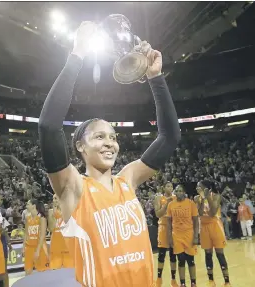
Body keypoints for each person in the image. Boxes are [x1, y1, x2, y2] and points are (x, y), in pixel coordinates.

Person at [38, 21, 181, 287]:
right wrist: (78, 53)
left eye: (113, 137)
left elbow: (170, 137)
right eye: (99, 136)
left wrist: (156, 78)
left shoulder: (127, 179)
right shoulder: (73, 187)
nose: (109, 143)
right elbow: (48, 126)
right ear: (80, 146)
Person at [195, 180, 231, 287]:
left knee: (220, 253)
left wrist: (208, 198)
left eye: (199, 187)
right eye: (197, 187)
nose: (197, 189)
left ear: (207, 188)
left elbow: (212, 213)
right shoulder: (197, 198)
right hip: (204, 227)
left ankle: (227, 281)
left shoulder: (216, 196)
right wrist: (201, 201)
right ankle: (211, 280)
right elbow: (200, 213)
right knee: (208, 254)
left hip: (215, 225)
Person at [167, 185, 198, 287]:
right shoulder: (171, 204)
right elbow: (168, 222)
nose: (179, 192)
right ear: (175, 192)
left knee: (190, 260)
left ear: (184, 192)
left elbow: (196, 221)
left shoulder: (191, 203)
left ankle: (193, 283)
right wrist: (170, 238)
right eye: (177, 191)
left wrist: (196, 236)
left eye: (181, 191)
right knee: (181, 260)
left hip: (189, 234)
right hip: (176, 235)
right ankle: (183, 283)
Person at [153, 182, 178, 287]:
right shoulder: (159, 198)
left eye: (171, 186)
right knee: (162, 254)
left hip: (174, 227)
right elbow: (158, 214)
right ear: (164, 187)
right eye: (168, 186)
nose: (170, 188)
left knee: (173, 254)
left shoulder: (176, 197)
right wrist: (167, 203)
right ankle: (159, 278)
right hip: (163, 227)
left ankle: (173, 279)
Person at [23, 199, 50, 275]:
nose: (26, 205)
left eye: (28, 204)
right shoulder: (27, 218)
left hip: (40, 247)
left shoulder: (42, 218)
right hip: (29, 247)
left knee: (42, 272)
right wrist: (23, 247)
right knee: (28, 272)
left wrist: (37, 250)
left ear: (33, 206)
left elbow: (42, 236)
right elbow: (26, 233)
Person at [48, 194, 73, 269]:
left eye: (56, 198)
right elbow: (51, 228)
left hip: (67, 244)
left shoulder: (69, 210)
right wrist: (54, 215)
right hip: (56, 245)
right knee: (54, 271)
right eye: (53, 199)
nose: (54, 200)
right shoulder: (50, 212)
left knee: (69, 272)